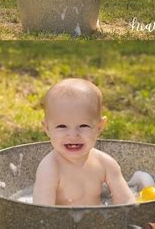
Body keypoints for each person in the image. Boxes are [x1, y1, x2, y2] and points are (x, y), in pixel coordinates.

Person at [33, 78, 135, 206]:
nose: (73, 135)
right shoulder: (50, 168)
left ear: (99, 127)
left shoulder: (105, 163)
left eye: (83, 126)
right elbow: (41, 213)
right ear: (47, 128)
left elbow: (126, 202)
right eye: (62, 126)